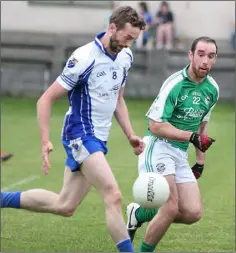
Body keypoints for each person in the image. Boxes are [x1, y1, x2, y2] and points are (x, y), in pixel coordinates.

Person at [1, 6, 146, 252]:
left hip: (99, 137)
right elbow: (45, 99)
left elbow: (117, 99)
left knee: (65, 205)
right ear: (112, 28)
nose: (129, 43)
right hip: (79, 133)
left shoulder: (125, 57)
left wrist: (130, 134)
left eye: (134, 39)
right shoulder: (84, 57)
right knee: (113, 195)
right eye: (127, 37)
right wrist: (45, 141)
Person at [126, 36, 219, 252]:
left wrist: (200, 161)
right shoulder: (175, 84)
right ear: (191, 55)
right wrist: (191, 138)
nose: (205, 61)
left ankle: (138, 213)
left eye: (211, 56)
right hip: (157, 146)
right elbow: (156, 125)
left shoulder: (212, 89)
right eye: (201, 54)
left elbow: (200, 128)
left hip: (180, 152)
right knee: (169, 207)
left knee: (192, 213)